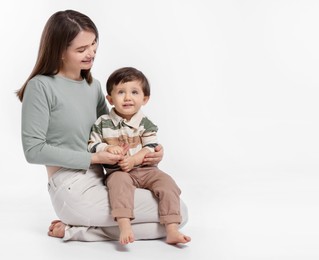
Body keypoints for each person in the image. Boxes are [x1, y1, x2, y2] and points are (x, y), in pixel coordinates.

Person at [16, 10, 189, 242]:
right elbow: (33, 151)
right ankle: (76, 230)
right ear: (59, 52)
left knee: (176, 212)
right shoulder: (41, 87)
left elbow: (111, 136)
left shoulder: (93, 86)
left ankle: (80, 230)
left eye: (94, 45)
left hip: (105, 179)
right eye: (81, 49)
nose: (91, 54)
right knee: (176, 213)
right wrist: (95, 159)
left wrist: (147, 154)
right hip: (71, 187)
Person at [88, 67, 191, 245]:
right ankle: (125, 224)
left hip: (147, 170)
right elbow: (92, 145)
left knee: (167, 183)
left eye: (134, 92)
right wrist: (106, 148)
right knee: (118, 185)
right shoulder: (102, 123)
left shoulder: (145, 123)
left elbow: (151, 146)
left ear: (144, 99)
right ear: (110, 99)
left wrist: (135, 159)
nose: (128, 98)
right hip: (118, 171)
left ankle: (172, 228)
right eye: (121, 92)